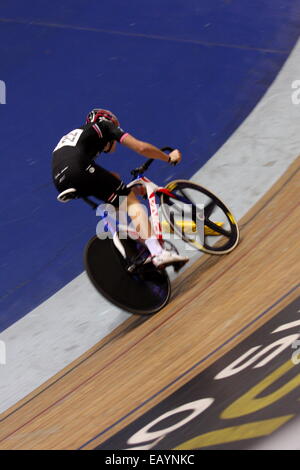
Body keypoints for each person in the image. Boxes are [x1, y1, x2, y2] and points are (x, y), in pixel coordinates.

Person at [52, 108, 189, 269]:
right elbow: (141, 148)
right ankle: (158, 253)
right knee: (130, 201)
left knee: (117, 198)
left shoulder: (81, 137)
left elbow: (105, 178)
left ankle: (133, 249)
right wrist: (168, 158)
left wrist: (126, 186)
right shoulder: (105, 126)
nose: (115, 142)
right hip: (78, 168)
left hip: (61, 181)